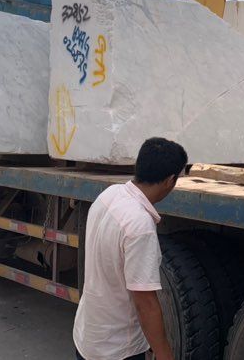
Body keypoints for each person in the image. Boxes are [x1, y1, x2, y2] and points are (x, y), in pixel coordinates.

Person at [73, 137, 188, 360]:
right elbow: (146, 303)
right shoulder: (139, 226)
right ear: (170, 180)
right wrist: (164, 354)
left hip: (87, 337)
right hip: (117, 350)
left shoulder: (109, 195)